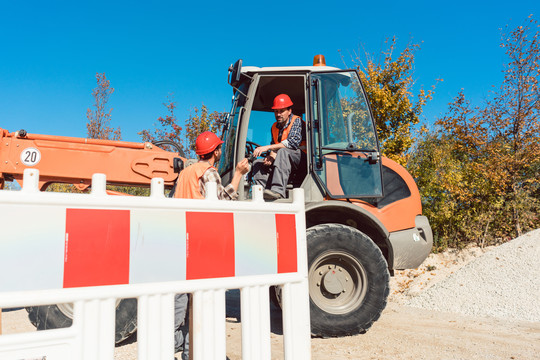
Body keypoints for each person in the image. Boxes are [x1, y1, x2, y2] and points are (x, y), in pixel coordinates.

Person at [172, 131, 250, 360]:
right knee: (199, 305)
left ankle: (166, 347)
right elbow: (220, 203)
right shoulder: (209, 173)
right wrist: (237, 175)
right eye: (219, 149)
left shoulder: (185, 173)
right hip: (200, 241)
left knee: (180, 303)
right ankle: (189, 353)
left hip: (182, 239)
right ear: (215, 152)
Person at [252, 94, 307, 200]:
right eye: (276, 111)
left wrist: (266, 148)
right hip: (285, 159)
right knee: (258, 163)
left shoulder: (297, 121)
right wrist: (271, 157)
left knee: (283, 152)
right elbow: (275, 146)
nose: (278, 114)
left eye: (281, 111)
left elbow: (292, 143)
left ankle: (277, 191)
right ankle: (264, 193)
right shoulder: (274, 127)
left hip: (302, 160)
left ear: (289, 111)